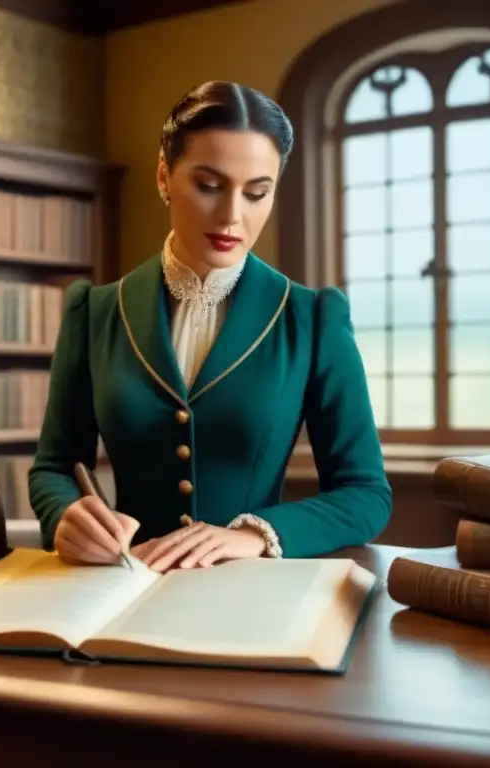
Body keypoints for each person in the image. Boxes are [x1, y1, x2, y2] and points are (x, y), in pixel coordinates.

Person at [28, 80, 391, 573]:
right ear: (163, 176)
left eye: (257, 192)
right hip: (123, 584)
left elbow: (365, 493)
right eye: (209, 186)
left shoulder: (312, 318)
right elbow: (54, 467)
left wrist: (255, 535)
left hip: (249, 595)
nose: (231, 215)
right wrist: (66, 515)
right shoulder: (94, 311)